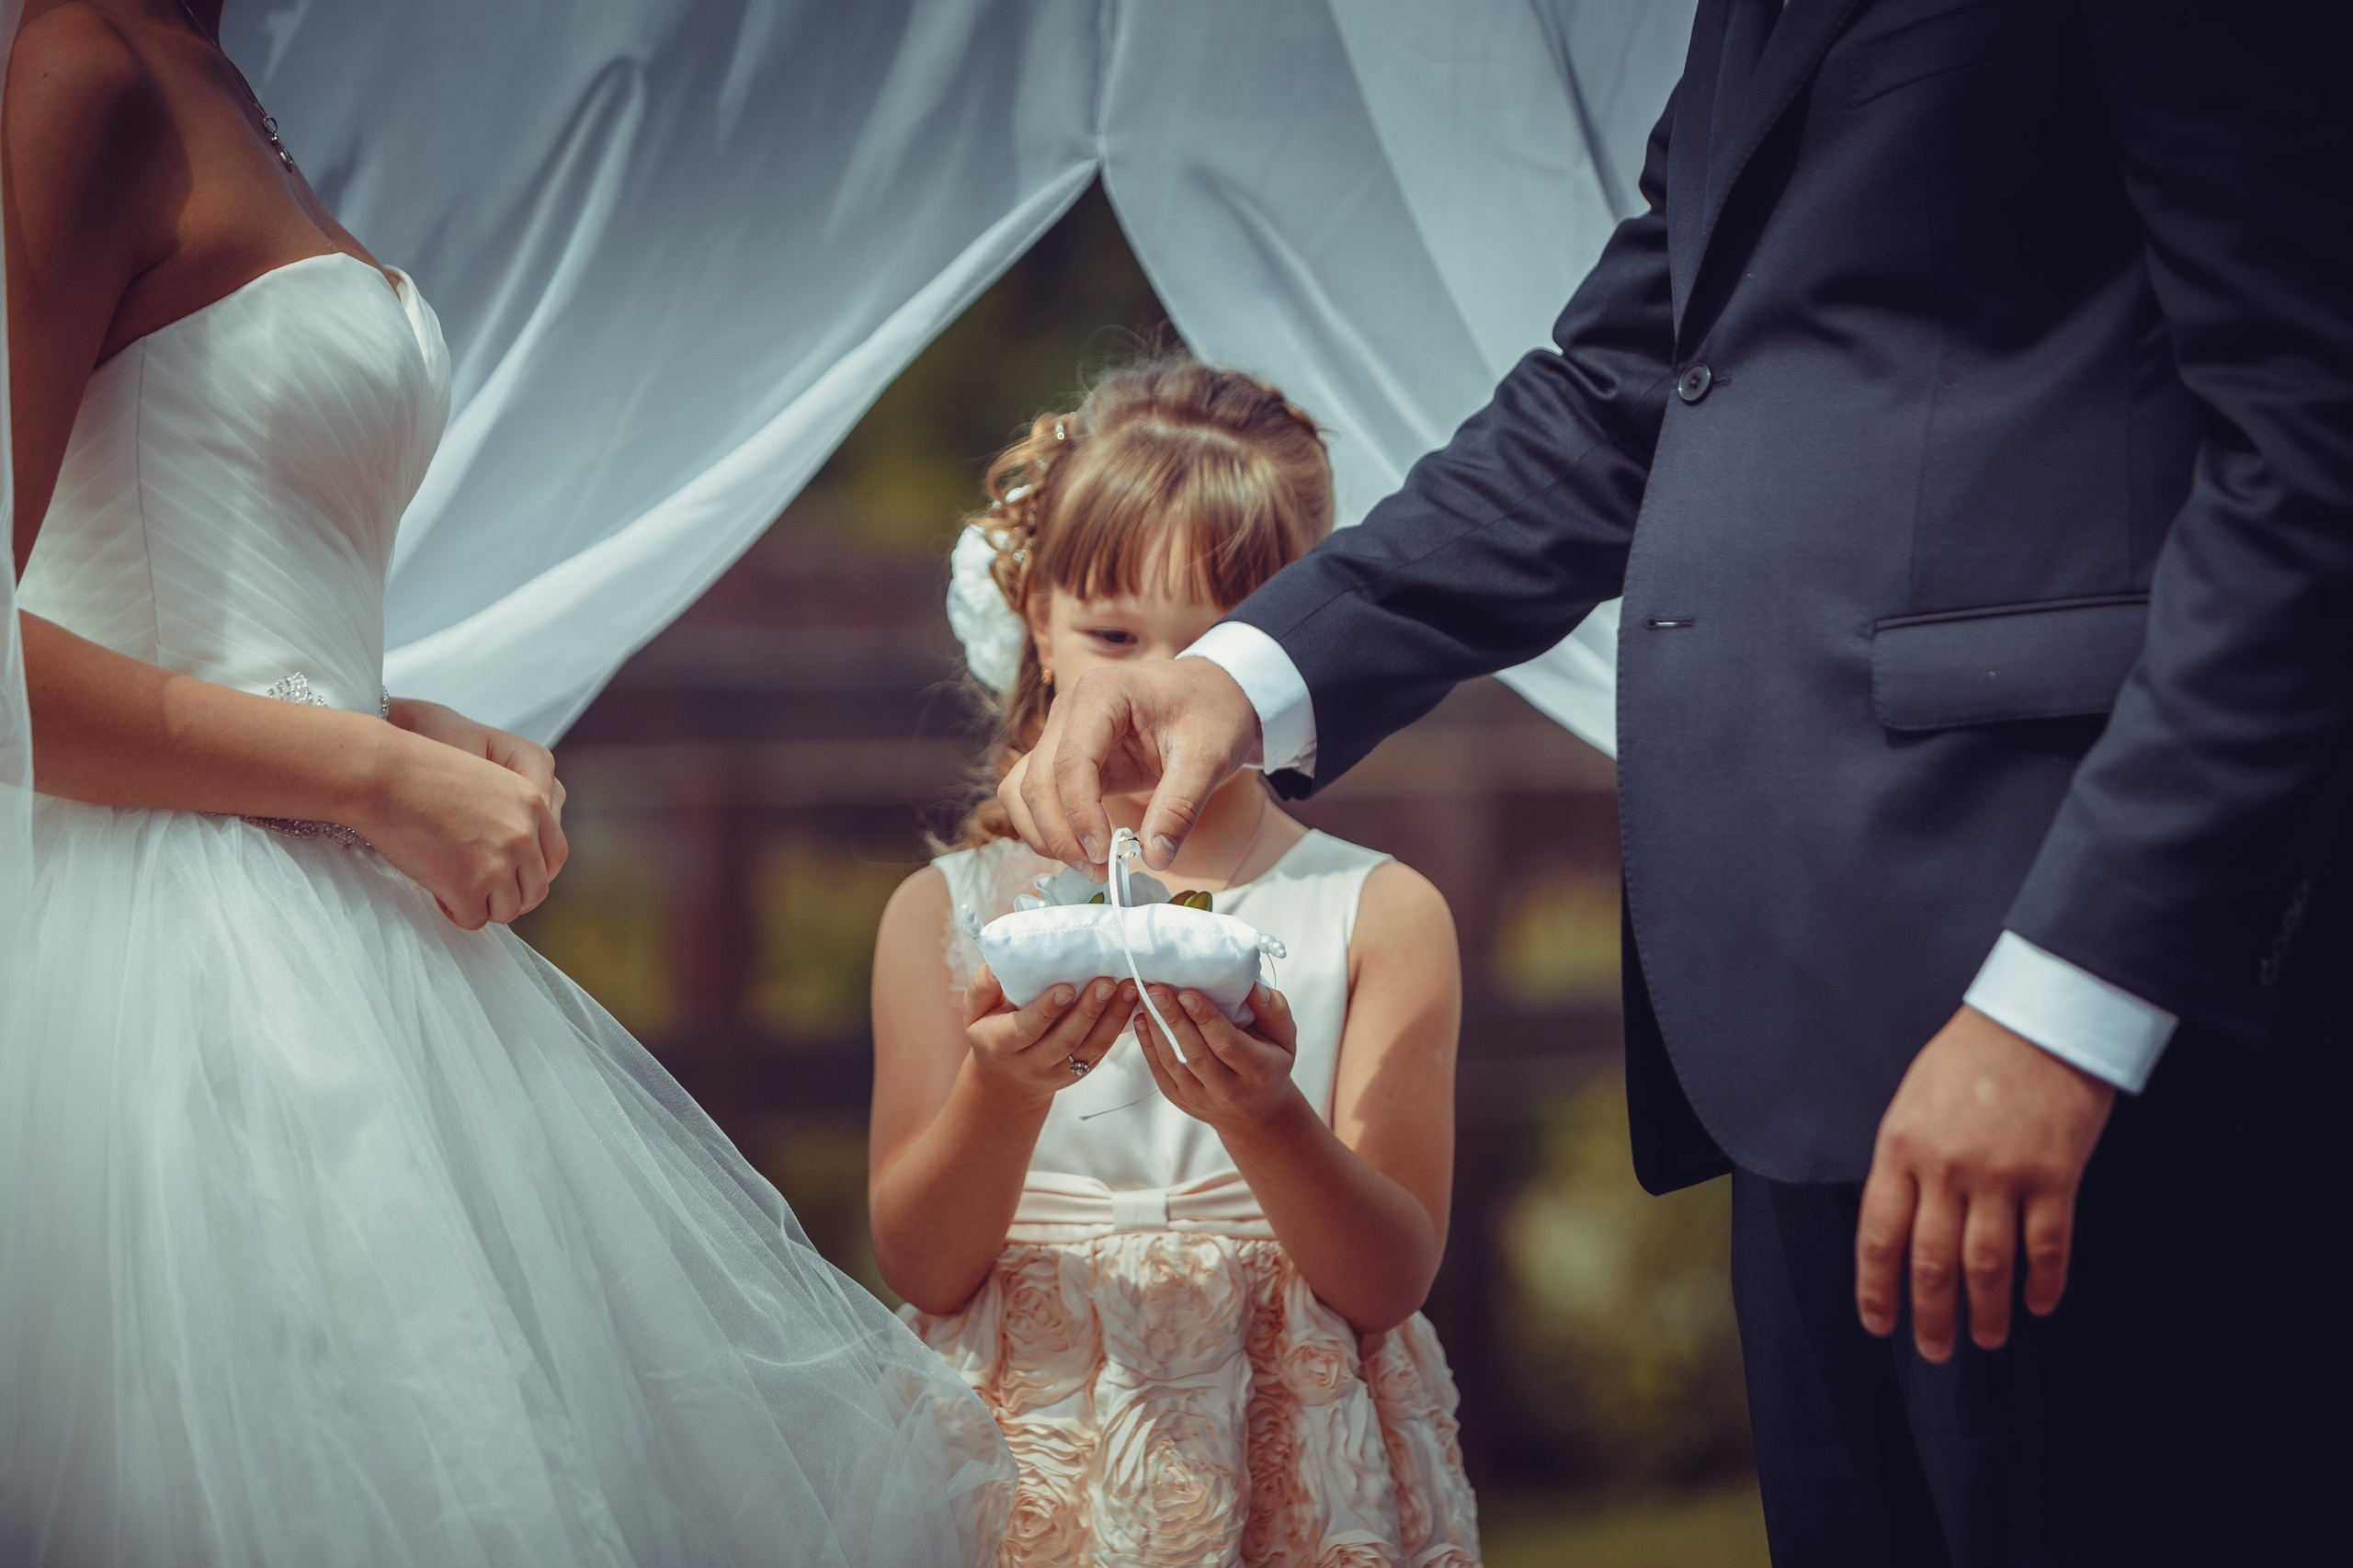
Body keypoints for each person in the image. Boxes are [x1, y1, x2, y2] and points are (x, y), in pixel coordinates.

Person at [1000, 3, 2350, 1562]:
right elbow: (1626, 389)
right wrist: (1242, 673)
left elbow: (2312, 450)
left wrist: (2074, 998)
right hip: (1795, 1016)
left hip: (2062, 995)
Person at [0, 4, 1013, 1562]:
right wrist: (367, 773)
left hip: (331, 934)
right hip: (166, 982)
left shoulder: (215, 74)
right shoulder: (78, 68)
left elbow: (186, 577)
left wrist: (407, 728)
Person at [868, 358, 1481, 1567]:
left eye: (1221, 646)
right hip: (1025, 1456)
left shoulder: (1378, 912)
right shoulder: (940, 913)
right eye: (1111, 631)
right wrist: (1004, 1088)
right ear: (1035, 618)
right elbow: (921, 1260)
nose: (1154, 687)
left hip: (1291, 1470)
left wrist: (1267, 1118)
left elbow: (1389, 1276)